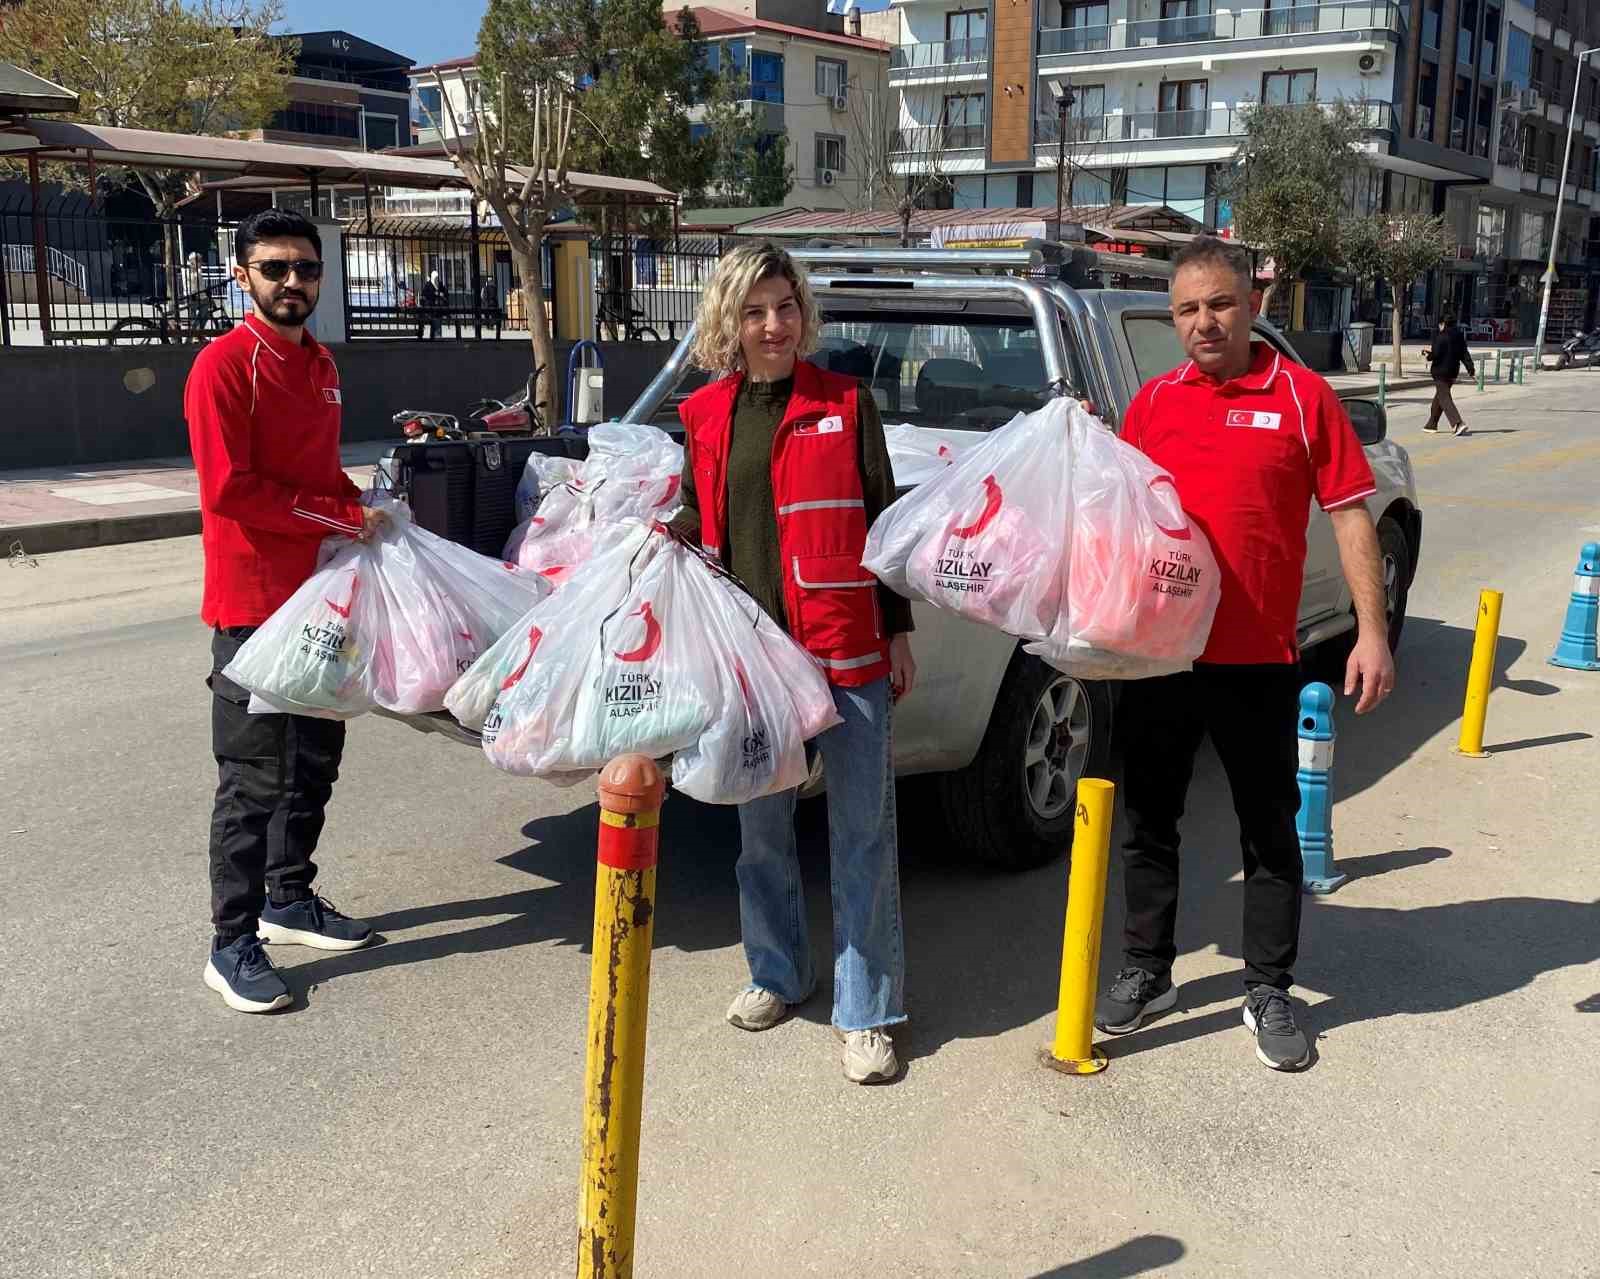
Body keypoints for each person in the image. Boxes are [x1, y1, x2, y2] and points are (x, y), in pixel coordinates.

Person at [1093, 236, 1396, 1072]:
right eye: (1187, 309)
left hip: (1257, 655)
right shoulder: (1151, 403)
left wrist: (1370, 631)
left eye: (1219, 303)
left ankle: (1268, 985)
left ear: (1253, 303)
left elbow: (1350, 514)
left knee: (1269, 828)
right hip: (1161, 654)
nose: (1204, 322)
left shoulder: (1301, 397)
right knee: (1149, 818)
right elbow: (1117, 512)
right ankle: (1149, 969)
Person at [669, 242, 915, 1084]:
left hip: (846, 643)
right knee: (761, 834)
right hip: (750, 660)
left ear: (803, 314)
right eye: (754, 309)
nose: (773, 324)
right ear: (728, 320)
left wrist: (900, 631)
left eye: (785, 306)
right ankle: (777, 970)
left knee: (862, 835)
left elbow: (883, 524)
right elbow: (700, 524)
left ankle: (867, 1009)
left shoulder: (847, 401)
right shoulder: (704, 412)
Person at [185, 208, 385, 1015]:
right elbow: (230, 489)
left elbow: (318, 469)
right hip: (253, 605)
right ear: (243, 276)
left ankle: (288, 895)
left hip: (321, 601)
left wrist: (363, 504)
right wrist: (339, 517)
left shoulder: (320, 363)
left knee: (315, 760)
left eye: (306, 268)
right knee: (253, 779)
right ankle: (232, 941)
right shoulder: (223, 367)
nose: (293, 281)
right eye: (275, 268)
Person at [1423, 310, 1473, 436]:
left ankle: (1457, 423)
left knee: (1444, 397)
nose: (1439, 327)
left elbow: (1435, 354)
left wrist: (1427, 354)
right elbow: (1464, 354)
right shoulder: (1459, 336)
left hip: (1440, 371)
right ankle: (1431, 424)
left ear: (1443, 324)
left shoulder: (1440, 336)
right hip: (1452, 372)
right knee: (1440, 396)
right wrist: (1470, 368)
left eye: (1440, 324)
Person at [420, 269, 446, 339]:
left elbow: (445, 292)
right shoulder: (428, 284)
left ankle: (437, 334)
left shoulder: (440, 284)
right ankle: (434, 335)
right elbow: (424, 293)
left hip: (438, 305)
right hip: (431, 305)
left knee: (437, 320)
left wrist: (442, 294)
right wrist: (434, 294)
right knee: (433, 320)